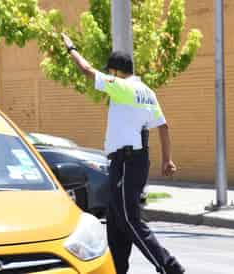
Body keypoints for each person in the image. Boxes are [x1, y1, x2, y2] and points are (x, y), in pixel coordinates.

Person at [61, 33, 185, 274]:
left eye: (111, 71)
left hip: (127, 162)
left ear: (116, 72)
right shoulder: (147, 91)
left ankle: (169, 266)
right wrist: (167, 159)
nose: (110, 75)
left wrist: (71, 48)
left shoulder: (122, 87)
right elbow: (163, 126)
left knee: (128, 218)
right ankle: (117, 270)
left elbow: (87, 70)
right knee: (116, 220)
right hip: (133, 161)